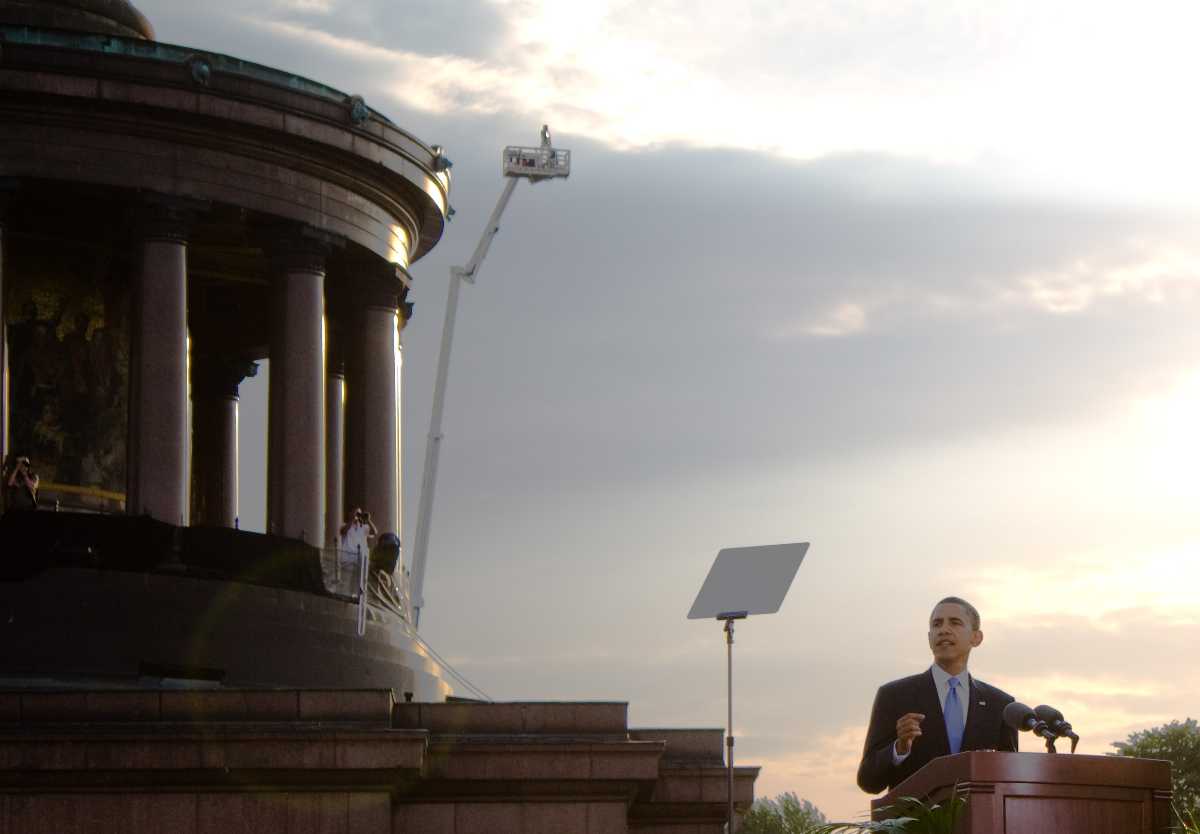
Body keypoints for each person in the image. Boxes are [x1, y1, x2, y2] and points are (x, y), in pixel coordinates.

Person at [856, 596, 1018, 794]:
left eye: (955, 622)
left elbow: (1011, 782)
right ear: (929, 637)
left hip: (980, 822)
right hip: (917, 823)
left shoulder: (1001, 705)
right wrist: (899, 748)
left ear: (976, 637)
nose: (944, 630)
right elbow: (868, 782)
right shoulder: (894, 696)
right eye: (937, 624)